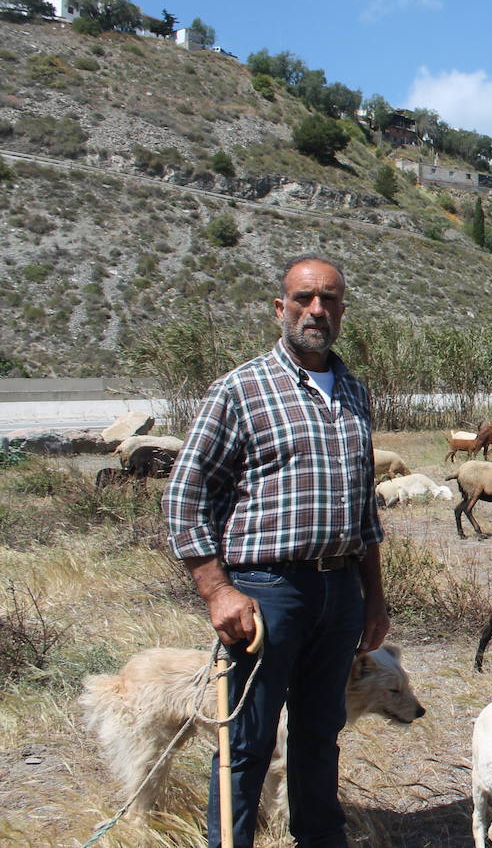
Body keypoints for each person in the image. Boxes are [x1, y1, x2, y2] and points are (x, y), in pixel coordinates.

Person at [164, 254, 389, 847]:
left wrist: (374, 597)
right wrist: (217, 588)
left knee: (320, 732)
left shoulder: (354, 392)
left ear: (343, 308)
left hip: (340, 590)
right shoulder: (241, 389)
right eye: (304, 298)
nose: (318, 310)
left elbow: (363, 505)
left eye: (331, 299)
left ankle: (319, 838)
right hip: (266, 593)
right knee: (248, 739)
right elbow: (186, 494)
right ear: (280, 307)